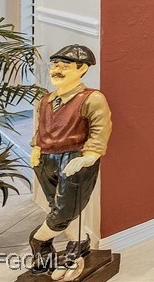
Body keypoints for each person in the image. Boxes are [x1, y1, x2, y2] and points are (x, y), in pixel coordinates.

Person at [28, 44, 112, 280]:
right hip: (45, 160)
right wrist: (35, 148)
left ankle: (39, 240)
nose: (57, 70)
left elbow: (100, 129)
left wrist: (90, 156)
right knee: (59, 208)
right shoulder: (46, 100)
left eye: (64, 66)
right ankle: (79, 244)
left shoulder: (92, 99)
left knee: (65, 210)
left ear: (81, 68)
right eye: (55, 65)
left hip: (74, 159)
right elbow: (41, 129)